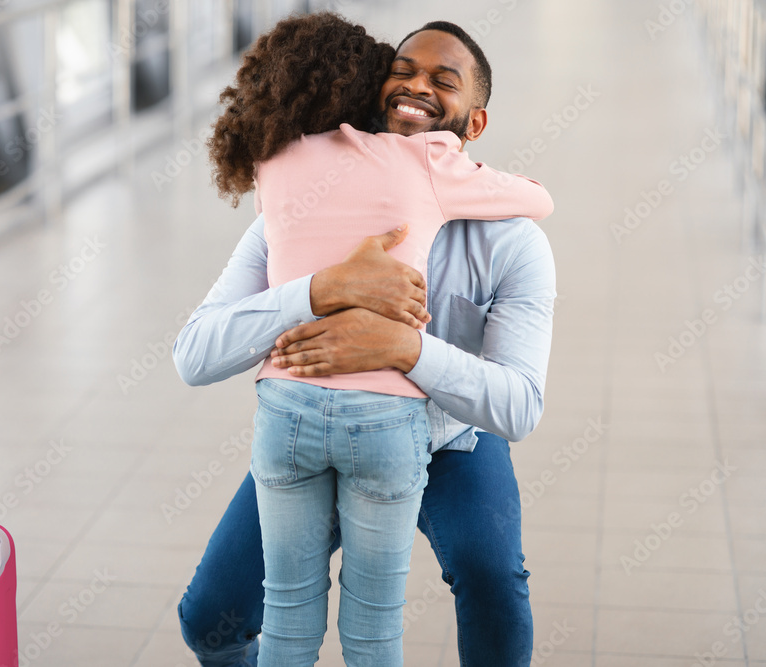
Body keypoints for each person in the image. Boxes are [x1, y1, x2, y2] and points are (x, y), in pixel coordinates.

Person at [174, 19, 556, 667]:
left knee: (493, 580)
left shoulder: (513, 242)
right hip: (319, 433)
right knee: (209, 619)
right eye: (402, 70)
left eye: (443, 80)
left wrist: (401, 350)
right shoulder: (305, 207)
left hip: (452, 441)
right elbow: (197, 352)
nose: (416, 86)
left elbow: (519, 406)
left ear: (475, 123)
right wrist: (318, 290)